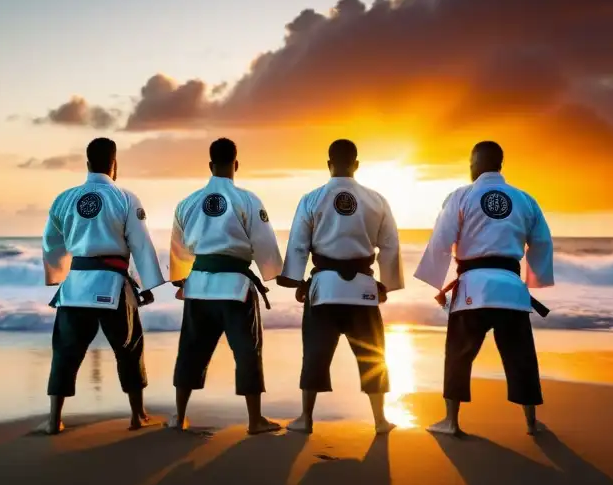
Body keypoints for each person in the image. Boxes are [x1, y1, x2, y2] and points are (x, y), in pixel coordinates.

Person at [414, 140, 554, 437]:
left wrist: (433, 277)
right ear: (499, 164)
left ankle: (451, 422)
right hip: (511, 291)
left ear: (474, 165)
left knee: (458, 355)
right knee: (521, 357)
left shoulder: (461, 196)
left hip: (472, 291)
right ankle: (531, 423)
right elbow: (541, 241)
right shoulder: (524, 199)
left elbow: (442, 238)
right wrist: (536, 277)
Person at [278, 139, 403, 434]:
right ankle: (381, 421)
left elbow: (298, 244)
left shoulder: (312, 198)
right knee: (373, 354)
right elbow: (390, 246)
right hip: (363, 288)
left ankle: (306, 419)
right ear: (356, 164)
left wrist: (296, 282)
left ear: (329, 164)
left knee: (315, 353)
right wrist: (385, 283)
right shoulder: (376, 200)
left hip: (324, 289)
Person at [42, 137, 165, 435]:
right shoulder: (125, 198)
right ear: (115, 164)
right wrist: (148, 283)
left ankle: (54, 420)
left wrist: (57, 276)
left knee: (65, 352)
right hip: (112, 285)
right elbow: (140, 243)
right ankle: (138, 415)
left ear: (87, 164)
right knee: (129, 348)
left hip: (74, 287)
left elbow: (51, 243)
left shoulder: (64, 198)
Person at [169, 137, 284, 435]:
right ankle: (255, 420)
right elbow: (264, 245)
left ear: (210, 165)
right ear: (236, 164)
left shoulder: (187, 203)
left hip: (199, 288)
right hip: (234, 289)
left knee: (191, 350)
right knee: (247, 351)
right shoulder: (247, 200)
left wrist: (181, 279)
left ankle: (179, 416)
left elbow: (179, 251)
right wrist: (278, 274)